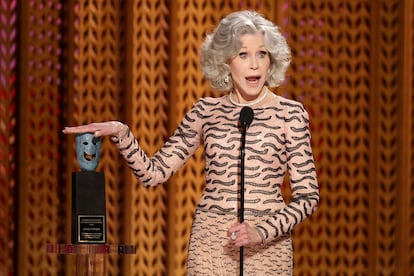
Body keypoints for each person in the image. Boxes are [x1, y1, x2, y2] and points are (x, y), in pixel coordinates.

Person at [63, 10, 319, 275]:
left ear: (271, 59)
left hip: (269, 250)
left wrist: (262, 231)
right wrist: (122, 134)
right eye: (243, 54)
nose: (254, 64)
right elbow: (154, 174)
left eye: (262, 54)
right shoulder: (206, 112)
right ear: (225, 61)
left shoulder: (291, 114)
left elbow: (308, 197)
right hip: (212, 245)